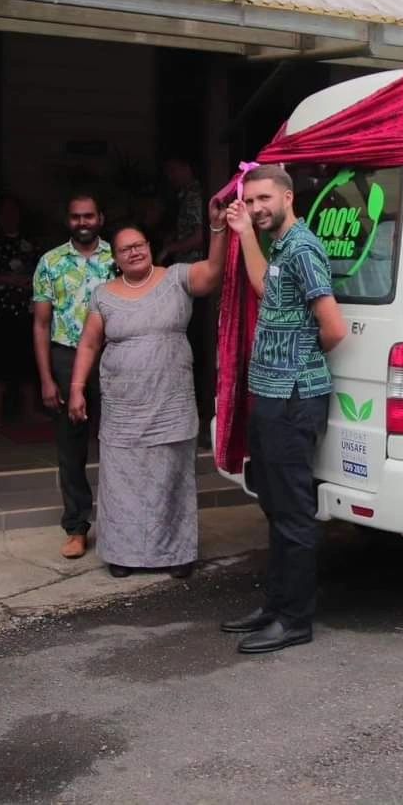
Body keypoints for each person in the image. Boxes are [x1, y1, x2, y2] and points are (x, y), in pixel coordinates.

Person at [219, 165, 347, 655]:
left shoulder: (305, 247)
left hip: (294, 397)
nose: (256, 208)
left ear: (288, 197)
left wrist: (298, 364)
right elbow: (264, 287)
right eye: (250, 202)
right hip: (270, 397)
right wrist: (245, 234)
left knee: (293, 512)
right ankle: (276, 606)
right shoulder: (279, 247)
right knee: (274, 507)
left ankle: (294, 620)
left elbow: (332, 327)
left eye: (263, 200)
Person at [66, 203, 228, 578]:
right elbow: (89, 344)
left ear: (149, 246)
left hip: (170, 402)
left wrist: (218, 229)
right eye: (126, 248)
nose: (135, 251)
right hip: (124, 406)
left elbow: (213, 273)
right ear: (116, 257)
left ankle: (176, 553)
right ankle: (123, 554)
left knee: (171, 478)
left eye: (139, 244)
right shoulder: (103, 295)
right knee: (123, 482)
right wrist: (76, 388)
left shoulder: (176, 278)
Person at [32, 193, 115, 560]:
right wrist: (47, 378)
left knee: (120, 444)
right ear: (68, 220)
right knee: (71, 448)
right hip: (66, 358)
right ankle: (77, 527)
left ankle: (120, 525)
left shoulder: (120, 257)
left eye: (89, 216)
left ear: (101, 218)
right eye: (76, 217)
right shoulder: (50, 262)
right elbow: (40, 323)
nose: (83, 222)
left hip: (114, 358)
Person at [157, 158, 213, 445]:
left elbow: (201, 235)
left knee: (194, 342)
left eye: (172, 169)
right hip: (187, 277)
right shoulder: (180, 196)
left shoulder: (195, 195)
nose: (170, 176)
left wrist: (171, 248)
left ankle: (202, 415)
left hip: (195, 277)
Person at [0, 196, 39, 427]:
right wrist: (10, 279)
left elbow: (41, 274)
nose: (10, 216)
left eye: (14, 211)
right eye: (5, 212)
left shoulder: (30, 243)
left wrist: (25, 281)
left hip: (26, 311)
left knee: (28, 360)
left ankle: (29, 410)